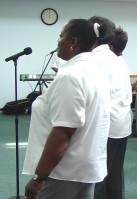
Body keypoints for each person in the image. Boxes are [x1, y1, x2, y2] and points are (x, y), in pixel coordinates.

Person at [23, 19, 110, 199]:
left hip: (63, 171)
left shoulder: (70, 75)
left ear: (73, 42)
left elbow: (63, 132)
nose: (58, 41)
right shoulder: (95, 69)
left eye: (61, 36)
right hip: (85, 166)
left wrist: (38, 178)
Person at [90, 16, 132, 199]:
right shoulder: (116, 58)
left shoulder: (94, 59)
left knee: (98, 175)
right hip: (121, 124)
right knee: (114, 172)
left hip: (105, 125)